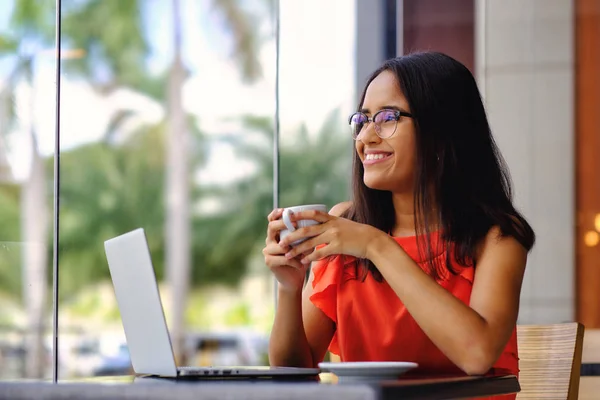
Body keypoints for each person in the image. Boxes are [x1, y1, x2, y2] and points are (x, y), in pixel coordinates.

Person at [263, 52, 535, 397]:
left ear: (442, 129)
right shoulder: (348, 226)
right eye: (362, 120)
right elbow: (293, 374)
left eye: (387, 117)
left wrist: (376, 246)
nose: (366, 137)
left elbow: (476, 354)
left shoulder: (497, 237)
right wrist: (289, 288)